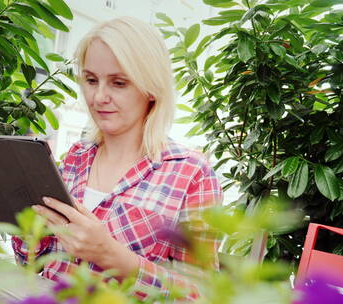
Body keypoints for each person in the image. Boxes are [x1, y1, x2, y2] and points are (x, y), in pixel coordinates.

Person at [12, 16, 222, 299]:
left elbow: (202, 295)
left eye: (119, 82)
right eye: (91, 80)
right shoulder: (76, 157)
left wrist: (115, 257)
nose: (98, 97)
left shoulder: (191, 174)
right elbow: (33, 264)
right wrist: (22, 219)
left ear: (151, 88)